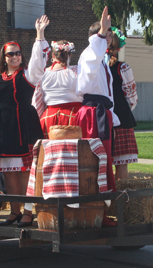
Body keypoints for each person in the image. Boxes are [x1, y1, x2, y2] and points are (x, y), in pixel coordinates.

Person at [0, 15, 50, 227]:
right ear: (4, 58)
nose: (15, 57)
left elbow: (39, 63)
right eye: (10, 54)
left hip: (24, 125)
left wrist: (40, 34)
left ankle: (28, 212)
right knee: (10, 174)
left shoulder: (28, 75)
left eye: (18, 53)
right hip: (4, 128)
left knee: (25, 172)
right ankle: (14, 212)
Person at [75, 7, 118, 227]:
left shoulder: (102, 60)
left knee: (104, 161)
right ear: (96, 37)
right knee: (95, 163)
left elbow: (107, 92)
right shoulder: (90, 55)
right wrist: (102, 32)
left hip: (100, 112)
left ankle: (100, 211)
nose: (109, 38)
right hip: (93, 114)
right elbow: (93, 55)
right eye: (106, 35)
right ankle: (96, 212)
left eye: (109, 35)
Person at [32, 40, 82, 138]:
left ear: (53, 56)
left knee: (50, 152)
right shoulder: (77, 71)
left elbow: (37, 101)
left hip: (49, 118)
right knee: (73, 151)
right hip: (74, 117)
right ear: (69, 55)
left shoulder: (43, 74)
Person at [107, 27, 138, 180]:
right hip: (122, 116)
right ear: (118, 48)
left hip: (100, 116)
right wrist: (125, 108)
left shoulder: (93, 67)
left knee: (100, 163)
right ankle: (120, 202)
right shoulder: (122, 68)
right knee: (121, 163)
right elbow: (131, 97)